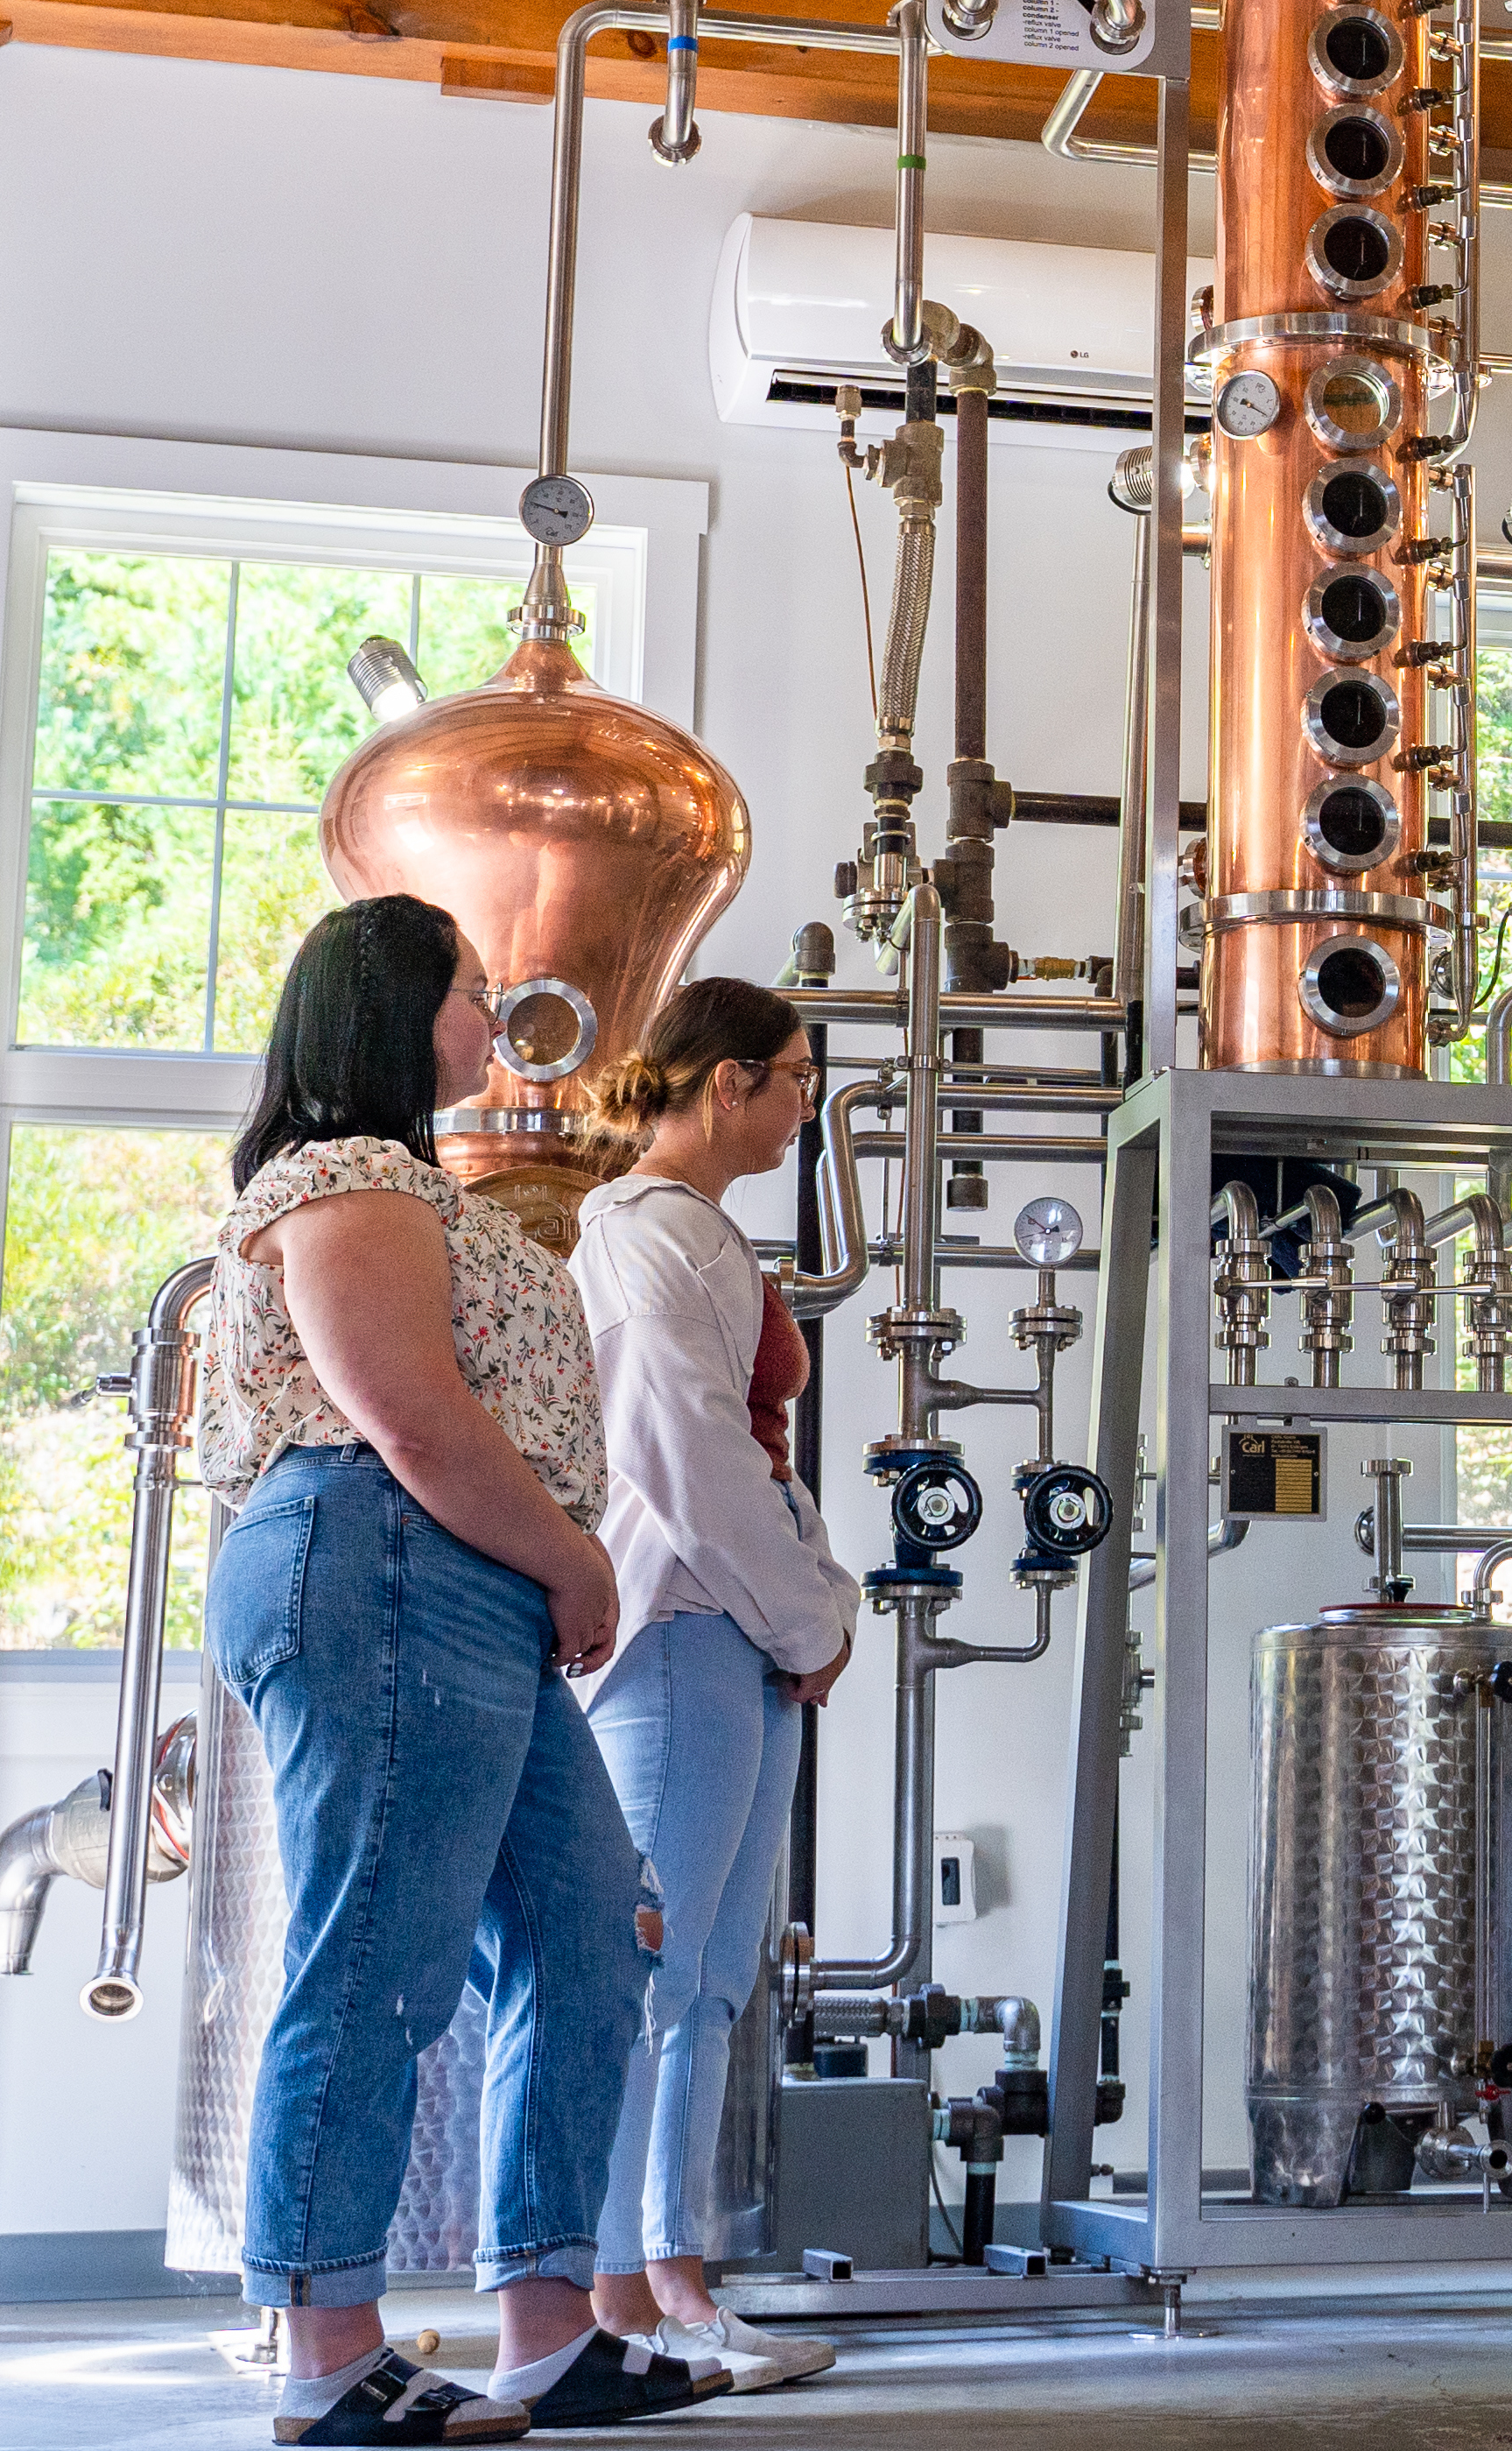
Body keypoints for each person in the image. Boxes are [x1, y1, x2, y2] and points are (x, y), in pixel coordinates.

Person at [197, 894, 716, 2440]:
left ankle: (550, 2332)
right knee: (378, 1957)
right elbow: (410, 1416)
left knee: (588, 1926)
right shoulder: (344, 1181)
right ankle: (325, 2355)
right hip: (379, 1551)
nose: (496, 1020)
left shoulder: (422, 1189)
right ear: (393, 1009)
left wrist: (547, 1559)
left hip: (459, 1578)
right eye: (472, 993)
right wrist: (574, 1556)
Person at [570, 979, 868, 2393]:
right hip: (686, 1627)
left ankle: (668, 2283)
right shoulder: (640, 1232)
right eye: (798, 1077)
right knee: (660, 1972)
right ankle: (635, 2295)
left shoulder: (700, 1236)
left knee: (707, 1980)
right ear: (729, 1081)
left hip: (732, 1633)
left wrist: (809, 1611)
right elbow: (683, 1459)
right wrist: (807, 1617)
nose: (810, 1103)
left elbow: (746, 1464)